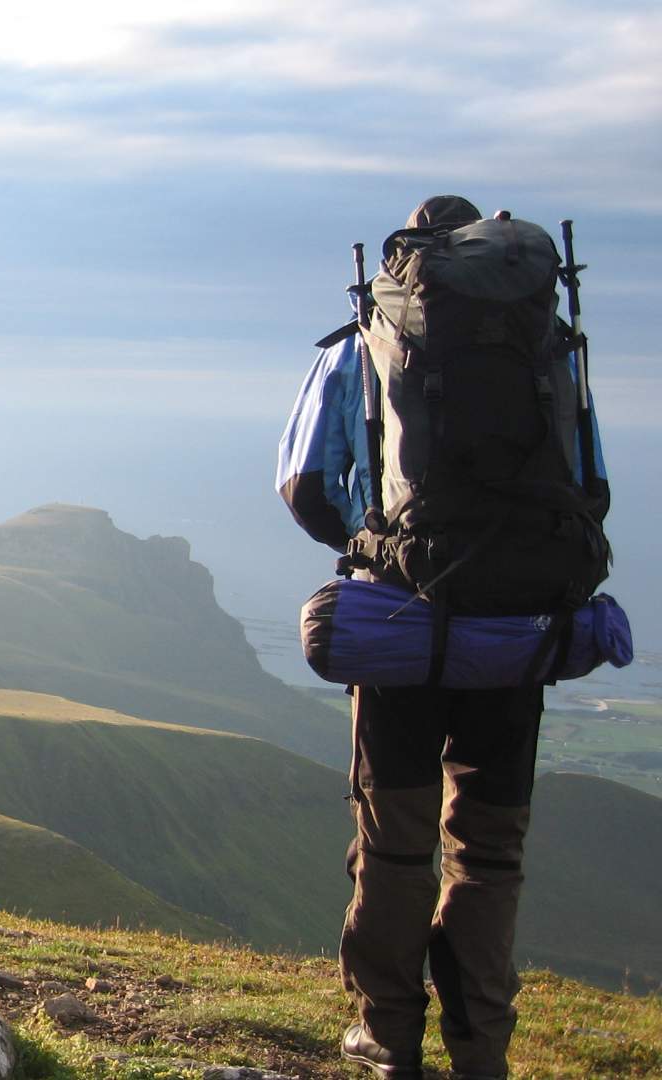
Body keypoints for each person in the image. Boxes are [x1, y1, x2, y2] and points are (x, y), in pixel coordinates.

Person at [275, 195, 610, 1080]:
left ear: (405, 264)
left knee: (395, 839)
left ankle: (388, 1039)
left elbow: (305, 486)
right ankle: (479, 1051)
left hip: (401, 624)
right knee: (489, 848)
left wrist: (374, 546)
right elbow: (590, 487)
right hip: (516, 633)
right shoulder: (549, 350)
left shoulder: (366, 341)